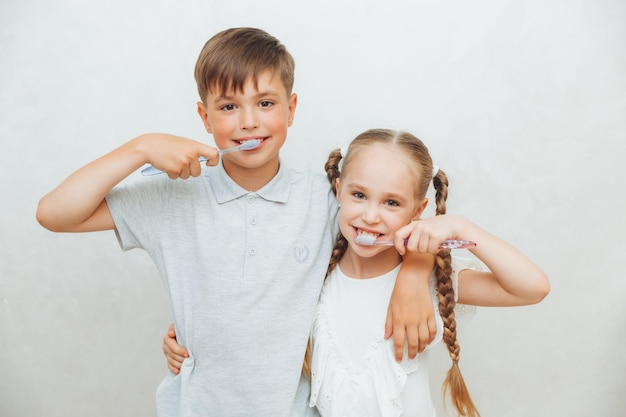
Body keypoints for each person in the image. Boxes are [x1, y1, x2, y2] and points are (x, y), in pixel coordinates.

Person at [35, 29, 438, 417]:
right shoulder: (172, 196)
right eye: (229, 106)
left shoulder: (326, 198)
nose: (249, 122)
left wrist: (415, 274)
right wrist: (140, 147)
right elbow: (54, 213)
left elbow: (397, 225)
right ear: (204, 117)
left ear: (291, 109)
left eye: (265, 103)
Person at [164, 128, 550, 417]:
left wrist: (461, 229)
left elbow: (532, 288)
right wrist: (190, 339)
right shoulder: (312, 277)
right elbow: (248, 309)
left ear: (418, 210)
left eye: (392, 202)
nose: (370, 215)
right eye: (359, 195)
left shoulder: (432, 282)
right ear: (337, 189)